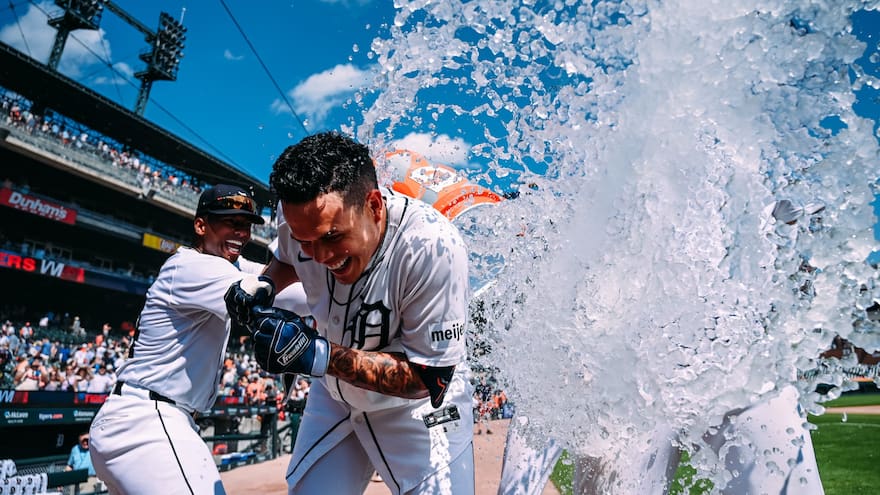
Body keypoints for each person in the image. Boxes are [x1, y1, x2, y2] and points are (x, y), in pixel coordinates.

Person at [225, 131, 474, 495]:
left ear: (374, 205)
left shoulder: (432, 245)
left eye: (331, 237)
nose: (321, 256)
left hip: (417, 408)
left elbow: (429, 378)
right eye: (305, 241)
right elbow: (284, 258)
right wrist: (265, 286)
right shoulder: (298, 217)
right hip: (335, 392)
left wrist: (318, 355)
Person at [89, 184, 267, 495]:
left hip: (147, 419)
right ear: (201, 225)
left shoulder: (222, 265)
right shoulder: (193, 265)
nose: (242, 233)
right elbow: (262, 290)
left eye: (247, 226)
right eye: (232, 223)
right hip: (148, 421)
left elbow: (280, 282)